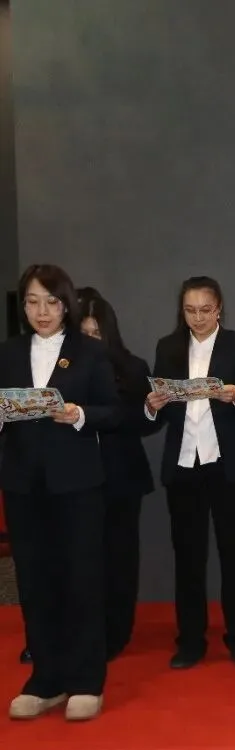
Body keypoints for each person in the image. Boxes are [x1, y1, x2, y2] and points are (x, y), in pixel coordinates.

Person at [1, 264, 121, 721]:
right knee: (34, 580)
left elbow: (113, 411)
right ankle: (46, 679)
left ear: (66, 304)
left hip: (76, 484)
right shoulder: (9, 352)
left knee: (81, 580)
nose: (42, 311)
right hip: (22, 483)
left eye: (51, 301)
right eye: (32, 302)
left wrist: (79, 415)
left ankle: (86, 680)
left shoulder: (89, 352)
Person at [145, 276, 235, 669]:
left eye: (205, 310)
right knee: (188, 559)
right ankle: (190, 641)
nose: (197, 318)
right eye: (190, 310)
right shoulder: (168, 347)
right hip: (183, 465)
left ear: (219, 309)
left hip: (229, 464)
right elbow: (158, 411)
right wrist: (154, 404)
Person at [78, 287, 157, 660]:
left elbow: (146, 424)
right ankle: (73, 633)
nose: (90, 340)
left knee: (119, 559)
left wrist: (148, 410)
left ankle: (116, 633)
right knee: (76, 560)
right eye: (83, 333)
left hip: (122, 478)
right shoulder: (62, 370)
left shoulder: (133, 367)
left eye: (96, 333)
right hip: (74, 478)